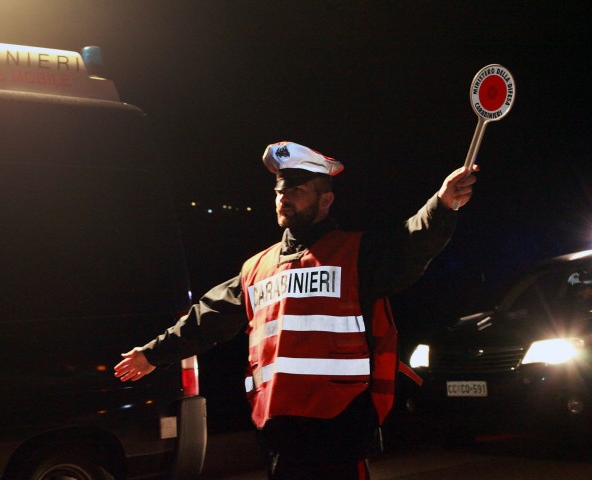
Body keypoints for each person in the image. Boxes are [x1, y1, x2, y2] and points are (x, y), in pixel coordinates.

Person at [114, 141, 477, 479]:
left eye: (296, 190)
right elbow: (207, 319)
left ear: (326, 201)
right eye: (280, 191)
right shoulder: (258, 268)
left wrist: (442, 205)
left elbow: (412, 242)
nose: (284, 198)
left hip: (339, 431)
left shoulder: (358, 255)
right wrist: (153, 354)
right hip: (278, 434)